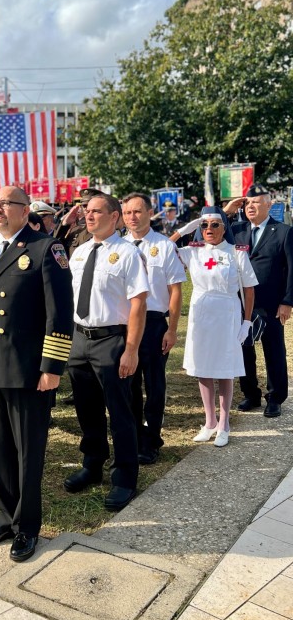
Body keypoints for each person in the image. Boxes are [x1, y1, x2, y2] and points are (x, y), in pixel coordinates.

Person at [0, 186, 74, 562]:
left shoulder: (45, 248)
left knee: (28, 452)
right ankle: (4, 516)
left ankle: (27, 527)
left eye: (5, 204)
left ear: (25, 209)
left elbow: (58, 314)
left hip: (29, 369)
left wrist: (52, 368)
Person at [64, 194, 149, 511]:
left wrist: (131, 349)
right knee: (87, 409)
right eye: (87, 211)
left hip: (112, 340)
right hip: (80, 339)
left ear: (115, 217)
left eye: (96, 211)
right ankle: (92, 464)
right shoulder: (80, 252)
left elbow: (138, 304)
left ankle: (124, 478)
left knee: (121, 412)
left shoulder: (127, 254)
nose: (88, 215)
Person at [175, 207, 257, 446]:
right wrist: (184, 229)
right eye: (204, 226)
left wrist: (247, 321)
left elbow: (249, 289)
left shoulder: (236, 253)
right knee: (203, 367)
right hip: (201, 312)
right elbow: (160, 252)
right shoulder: (193, 251)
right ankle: (209, 421)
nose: (208, 230)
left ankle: (224, 423)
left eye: (214, 225)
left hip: (227, 312)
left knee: (224, 368)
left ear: (224, 228)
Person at [122, 192, 186, 465]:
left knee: (154, 384)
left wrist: (172, 329)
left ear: (149, 213)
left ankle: (152, 440)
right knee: (129, 384)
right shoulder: (118, 247)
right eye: (127, 213)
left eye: (137, 212)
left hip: (154, 324)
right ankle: (135, 435)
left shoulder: (164, 246)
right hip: (125, 325)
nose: (132, 218)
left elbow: (175, 291)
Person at [224, 184, 293, 418]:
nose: (250, 206)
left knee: (274, 351)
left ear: (269, 205)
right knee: (244, 349)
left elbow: (292, 269)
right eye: (247, 203)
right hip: (241, 304)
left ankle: (275, 398)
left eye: (255, 202)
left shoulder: (283, 232)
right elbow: (205, 232)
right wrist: (227, 211)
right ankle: (250, 394)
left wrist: (287, 301)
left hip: (271, 304)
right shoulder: (237, 229)